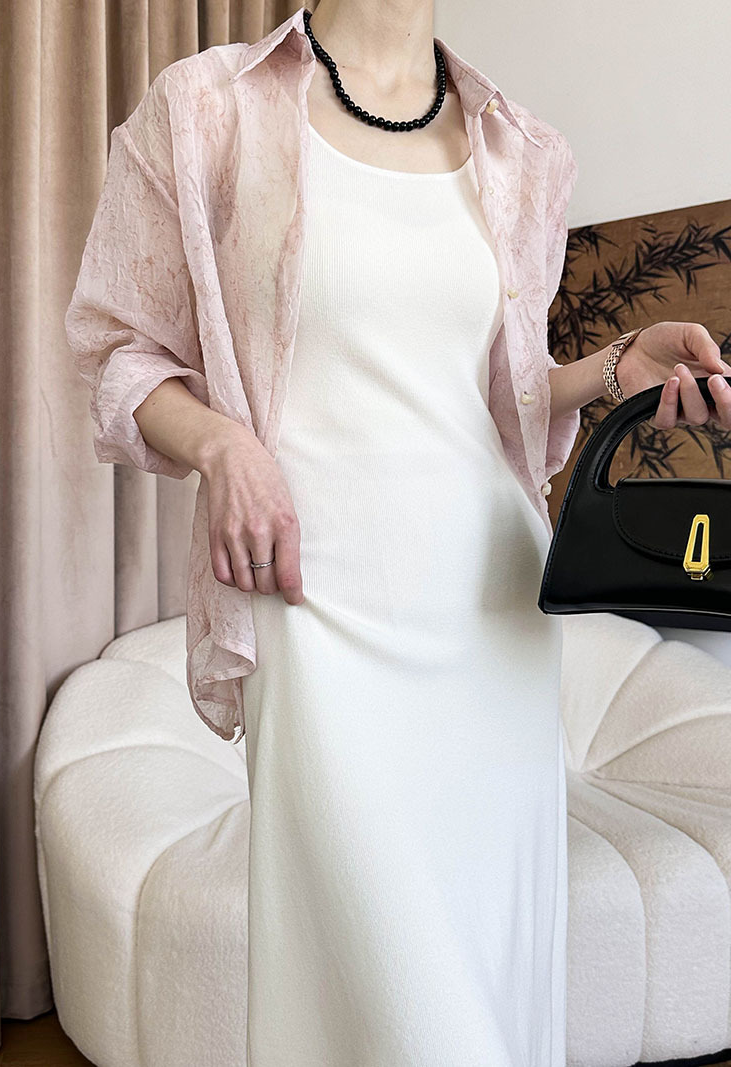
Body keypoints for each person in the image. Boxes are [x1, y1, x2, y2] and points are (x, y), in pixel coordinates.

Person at [65, 2, 731, 1063]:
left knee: (484, 991)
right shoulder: (206, 108)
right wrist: (224, 446)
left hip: (490, 616)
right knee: (384, 1004)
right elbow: (118, 351)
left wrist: (613, 368)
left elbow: (499, 398)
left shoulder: (521, 147)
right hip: (314, 606)